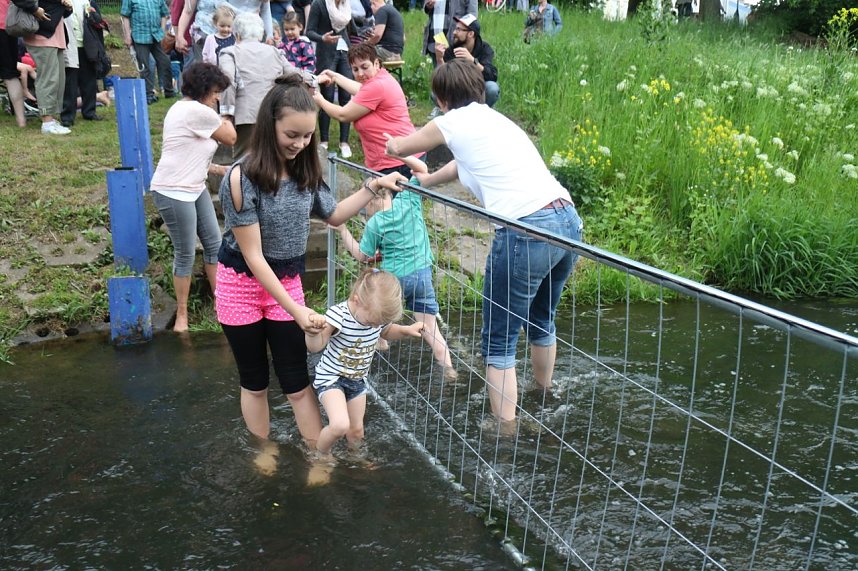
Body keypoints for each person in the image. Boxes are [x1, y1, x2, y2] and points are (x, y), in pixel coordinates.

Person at [215, 74, 407, 469]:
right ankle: (263, 449)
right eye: (292, 135)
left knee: (297, 381)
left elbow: (333, 214)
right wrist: (298, 311)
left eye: (307, 136)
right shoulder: (241, 178)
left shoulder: (306, 173)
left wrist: (374, 186)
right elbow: (253, 257)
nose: (300, 144)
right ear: (270, 125)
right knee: (254, 380)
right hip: (241, 286)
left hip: (285, 282)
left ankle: (317, 455)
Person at [385, 59, 584, 426]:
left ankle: (505, 434)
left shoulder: (451, 122)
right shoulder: (494, 120)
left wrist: (390, 136)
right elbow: (460, 167)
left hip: (525, 230)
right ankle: (544, 394)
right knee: (541, 320)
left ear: (442, 98)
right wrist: (421, 184)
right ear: (478, 89)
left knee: (498, 342)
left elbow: (399, 147)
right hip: (567, 221)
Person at [333, 154, 457, 378]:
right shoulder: (409, 199)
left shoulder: (375, 223)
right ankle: (449, 370)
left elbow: (362, 256)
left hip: (393, 280)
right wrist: (399, 153)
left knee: (377, 318)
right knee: (432, 331)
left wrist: (343, 230)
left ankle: (379, 350)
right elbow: (421, 167)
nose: (364, 212)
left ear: (371, 201)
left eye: (365, 207)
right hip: (421, 275)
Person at [149, 62, 236, 332]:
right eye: (217, 91)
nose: (218, 97)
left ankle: (222, 306)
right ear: (205, 88)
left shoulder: (179, 107)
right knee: (185, 252)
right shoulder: (200, 111)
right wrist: (226, 115)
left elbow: (183, 149)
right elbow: (231, 137)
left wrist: (214, 168)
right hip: (174, 190)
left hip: (194, 186)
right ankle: (183, 316)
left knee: (214, 243)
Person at [305, 269, 425, 457]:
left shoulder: (375, 318)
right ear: (356, 300)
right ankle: (320, 456)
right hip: (331, 378)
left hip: (357, 380)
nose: (375, 327)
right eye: (372, 322)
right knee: (339, 425)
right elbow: (315, 347)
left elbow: (386, 331)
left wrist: (405, 330)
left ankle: (356, 458)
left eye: (379, 323)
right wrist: (312, 333)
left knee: (356, 431)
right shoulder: (339, 316)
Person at [218, 12, 314, 159]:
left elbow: (228, 79)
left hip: (246, 116)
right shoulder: (275, 51)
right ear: (261, 34)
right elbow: (294, 75)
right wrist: (315, 79)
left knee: (245, 162)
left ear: (236, 35)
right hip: (274, 113)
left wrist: (226, 114)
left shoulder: (229, 52)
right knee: (272, 160)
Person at [313, 42, 417, 177]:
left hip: (398, 163)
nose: (361, 73)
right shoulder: (381, 77)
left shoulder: (377, 86)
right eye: (355, 69)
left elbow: (343, 115)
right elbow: (360, 90)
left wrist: (318, 98)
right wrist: (336, 76)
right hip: (400, 157)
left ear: (377, 64)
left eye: (365, 67)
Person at [15, 0, 73, 134]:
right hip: (41, 34)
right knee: (49, 78)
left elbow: (58, 10)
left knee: (58, 78)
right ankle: (47, 122)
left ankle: (52, 119)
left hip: (55, 34)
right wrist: (35, 9)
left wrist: (67, 7)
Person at [306, 0, 354, 158]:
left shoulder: (345, 7)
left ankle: (344, 142)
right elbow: (309, 31)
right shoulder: (319, 4)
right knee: (326, 96)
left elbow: (351, 28)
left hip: (344, 53)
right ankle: (324, 141)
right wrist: (322, 38)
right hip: (326, 53)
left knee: (346, 96)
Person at [175, 0, 274, 62]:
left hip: (241, 32)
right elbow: (220, 4)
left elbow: (266, 11)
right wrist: (179, 35)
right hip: (208, 31)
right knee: (205, 65)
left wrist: (270, 35)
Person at [120, 0, 176, 104]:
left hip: (155, 36)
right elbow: (125, 17)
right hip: (139, 36)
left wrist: (162, 30)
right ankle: (148, 94)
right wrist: (127, 36)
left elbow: (164, 13)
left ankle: (169, 91)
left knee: (165, 62)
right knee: (144, 66)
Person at [440, 14, 498, 108]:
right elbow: (444, 77)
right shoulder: (451, 49)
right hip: (458, 88)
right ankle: (450, 113)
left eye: (459, 29)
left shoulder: (484, 48)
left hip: (478, 87)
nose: (454, 32)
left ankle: (483, 113)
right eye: (456, 28)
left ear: (471, 34)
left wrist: (472, 60)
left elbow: (492, 75)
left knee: (492, 88)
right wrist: (440, 58)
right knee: (436, 93)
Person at [61, 0, 103, 126]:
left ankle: (89, 111)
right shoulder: (62, 2)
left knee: (89, 80)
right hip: (68, 44)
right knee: (70, 82)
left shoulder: (88, 1)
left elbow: (98, 21)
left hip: (86, 44)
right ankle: (68, 116)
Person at [421, 0, 475, 67]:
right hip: (435, 36)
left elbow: (472, 16)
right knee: (439, 74)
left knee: (459, 74)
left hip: (457, 41)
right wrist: (428, 5)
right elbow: (426, 7)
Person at [1, 0, 28, 128]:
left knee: (10, 75)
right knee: (10, 75)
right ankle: (21, 121)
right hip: (8, 25)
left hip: (7, 25)